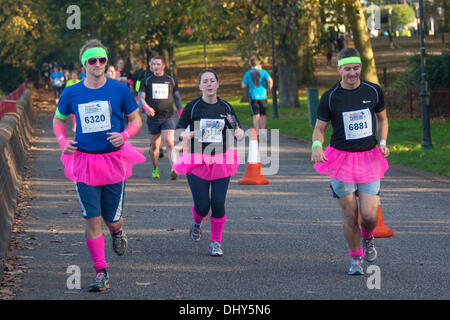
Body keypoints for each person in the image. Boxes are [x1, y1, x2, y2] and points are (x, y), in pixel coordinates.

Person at [52, 39, 145, 292]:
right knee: (92, 218)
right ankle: (101, 272)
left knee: (111, 218)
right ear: (84, 64)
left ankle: (117, 232)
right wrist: (62, 141)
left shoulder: (120, 90)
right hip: (84, 161)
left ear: (106, 62)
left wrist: (125, 135)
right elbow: (58, 121)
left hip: (114, 160)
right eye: (91, 60)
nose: (97, 64)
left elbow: (135, 119)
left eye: (101, 59)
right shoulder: (71, 92)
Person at [311, 47, 390, 275]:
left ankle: (367, 236)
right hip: (341, 160)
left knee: (368, 216)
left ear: (360, 68)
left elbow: (382, 120)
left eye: (356, 68)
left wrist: (383, 141)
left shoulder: (374, 91)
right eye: (347, 69)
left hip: (369, 158)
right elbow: (319, 128)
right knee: (349, 213)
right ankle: (355, 259)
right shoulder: (330, 97)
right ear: (339, 69)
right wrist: (317, 145)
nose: (352, 73)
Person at [173, 69, 244, 256]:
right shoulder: (193, 107)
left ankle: (216, 242)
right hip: (197, 159)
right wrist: (185, 134)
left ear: (218, 84)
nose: (209, 84)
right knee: (203, 205)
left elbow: (237, 127)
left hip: (221, 158)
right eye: (205, 81)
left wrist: (239, 133)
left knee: (218, 202)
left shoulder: (226, 107)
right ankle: (197, 222)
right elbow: (178, 130)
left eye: (212, 81)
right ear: (200, 86)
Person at [138, 55, 183, 180]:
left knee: (169, 142)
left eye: (158, 64)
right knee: (155, 146)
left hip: (167, 117)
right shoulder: (146, 80)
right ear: (150, 66)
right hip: (153, 118)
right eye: (153, 64)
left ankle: (174, 168)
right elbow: (141, 97)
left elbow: (177, 98)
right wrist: (146, 108)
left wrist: (181, 113)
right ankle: (155, 168)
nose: (155, 66)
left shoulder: (171, 80)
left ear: (163, 66)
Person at [241, 56, 273, 135]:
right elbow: (270, 80)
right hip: (263, 95)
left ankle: (257, 132)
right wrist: (269, 89)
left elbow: (243, 85)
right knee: (263, 114)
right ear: (258, 63)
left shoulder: (248, 73)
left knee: (256, 115)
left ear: (250, 64)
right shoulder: (264, 72)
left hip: (253, 96)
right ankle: (263, 132)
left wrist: (248, 83)